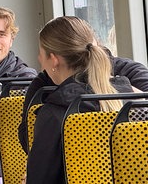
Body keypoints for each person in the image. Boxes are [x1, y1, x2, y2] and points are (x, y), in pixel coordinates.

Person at [24, 16, 134, 184]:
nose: (39, 59)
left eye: (41, 53)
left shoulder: (55, 114)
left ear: (53, 60)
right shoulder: (131, 102)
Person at [18, 37, 148, 153]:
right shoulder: (131, 89)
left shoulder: (52, 111)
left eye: (41, 54)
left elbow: (33, 149)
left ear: (53, 60)